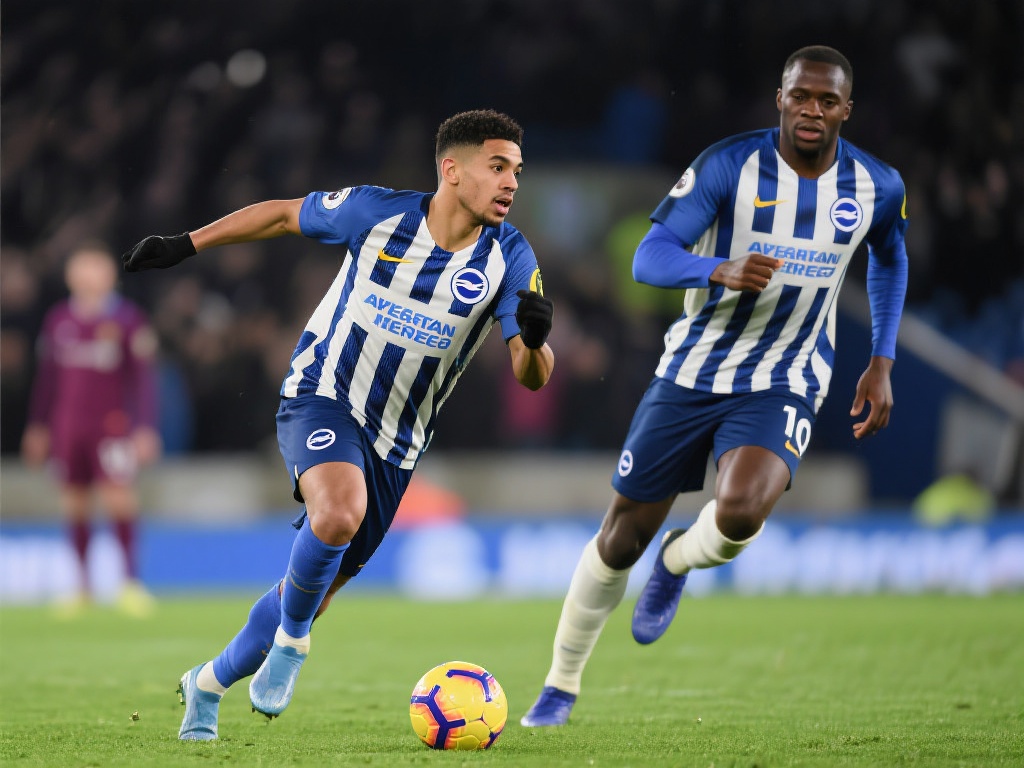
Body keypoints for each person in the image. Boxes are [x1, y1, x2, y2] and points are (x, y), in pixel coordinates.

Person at [121, 109, 555, 741]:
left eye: (516, 170)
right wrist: (186, 244)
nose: (511, 182)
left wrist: (536, 342)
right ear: (452, 170)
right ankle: (292, 646)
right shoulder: (377, 214)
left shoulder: (510, 257)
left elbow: (530, 373)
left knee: (312, 589)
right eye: (497, 167)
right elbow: (281, 214)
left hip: (398, 444)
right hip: (322, 394)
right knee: (337, 513)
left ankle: (207, 683)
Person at [521, 45, 908, 727]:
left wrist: (882, 358)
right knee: (620, 540)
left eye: (827, 100)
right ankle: (560, 683)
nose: (811, 110)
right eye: (800, 96)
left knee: (742, 511)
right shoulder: (729, 165)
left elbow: (889, 256)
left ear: (846, 109)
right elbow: (648, 257)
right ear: (780, 98)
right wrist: (717, 270)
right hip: (693, 370)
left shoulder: (877, 185)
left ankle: (678, 558)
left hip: (787, 374)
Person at [21, 242, 162, 618]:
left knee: (119, 499)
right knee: (74, 503)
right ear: (71, 275)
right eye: (82, 268)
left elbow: (143, 380)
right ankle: (81, 586)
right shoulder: (58, 320)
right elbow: (47, 380)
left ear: (110, 275)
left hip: (112, 426)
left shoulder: (127, 320)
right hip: (68, 426)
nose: (89, 276)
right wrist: (38, 425)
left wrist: (145, 427)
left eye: (96, 268)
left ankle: (130, 583)